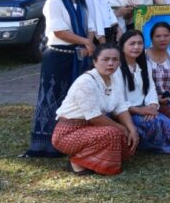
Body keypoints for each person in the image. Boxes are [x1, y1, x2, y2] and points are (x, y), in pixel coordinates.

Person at [26, 0, 94, 157]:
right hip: (57, 55)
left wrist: (88, 41)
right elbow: (60, 31)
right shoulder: (54, 1)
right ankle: (46, 144)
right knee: (52, 98)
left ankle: (70, 140)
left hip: (78, 56)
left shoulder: (81, 3)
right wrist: (87, 43)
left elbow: (89, 26)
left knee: (73, 99)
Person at [51, 43, 138, 176]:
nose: (110, 63)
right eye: (105, 59)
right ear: (95, 61)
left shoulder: (115, 78)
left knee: (124, 135)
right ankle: (77, 162)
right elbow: (95, 117)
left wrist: (131, 129)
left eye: (115, 60)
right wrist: (121, 128)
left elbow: (120, 106)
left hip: (92, 128)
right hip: (68, 132)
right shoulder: (86, 82)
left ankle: (92, 160)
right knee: (113, 133)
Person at [117, 29, 170, 154]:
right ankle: (143, 145)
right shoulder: (116, 68)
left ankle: (153, 144)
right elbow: (117, 100)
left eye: (140, 43)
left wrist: (153, 106)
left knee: (165, 121)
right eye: (132, 43)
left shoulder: (144, 65)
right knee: (156, 122)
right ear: (122, 46)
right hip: (125, 112)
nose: (136, 47)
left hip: (144, 108)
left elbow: (151, 89)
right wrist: (139, 111)